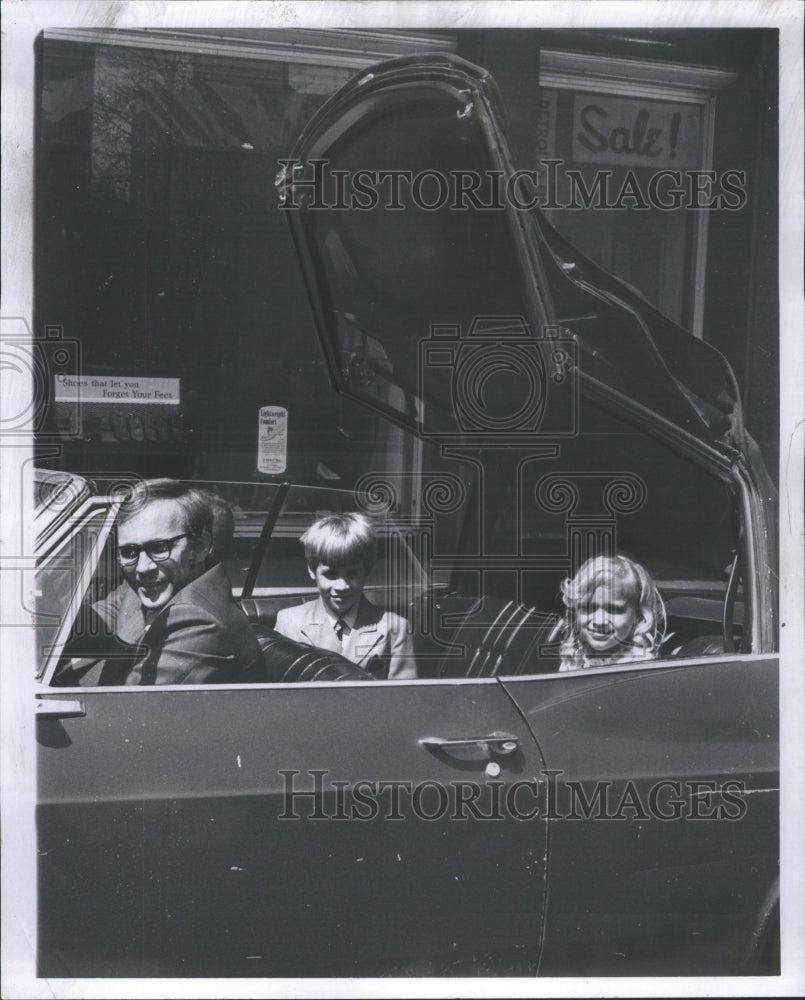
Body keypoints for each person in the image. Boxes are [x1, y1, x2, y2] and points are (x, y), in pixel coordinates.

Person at [61, 479, 265, 686]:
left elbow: (120, 708)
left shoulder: (200, 621)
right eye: (129, 551)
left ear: (200, 547)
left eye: (159, 548)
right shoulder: (151, 586)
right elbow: (98, 619)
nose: (142, 568)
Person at [275, 512, 417, 679]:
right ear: (312, 570)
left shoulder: (394, 628)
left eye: (352, 574)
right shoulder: (289, 622)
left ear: (367, 570)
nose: (342, 586)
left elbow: (404, 697)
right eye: (331, 574)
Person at [555, 554, 667, 671]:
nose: (599, 621)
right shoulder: (574, 658)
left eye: (614, 610)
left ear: (637, 616)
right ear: (576, 610)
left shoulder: (640, 666)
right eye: (588, 608)